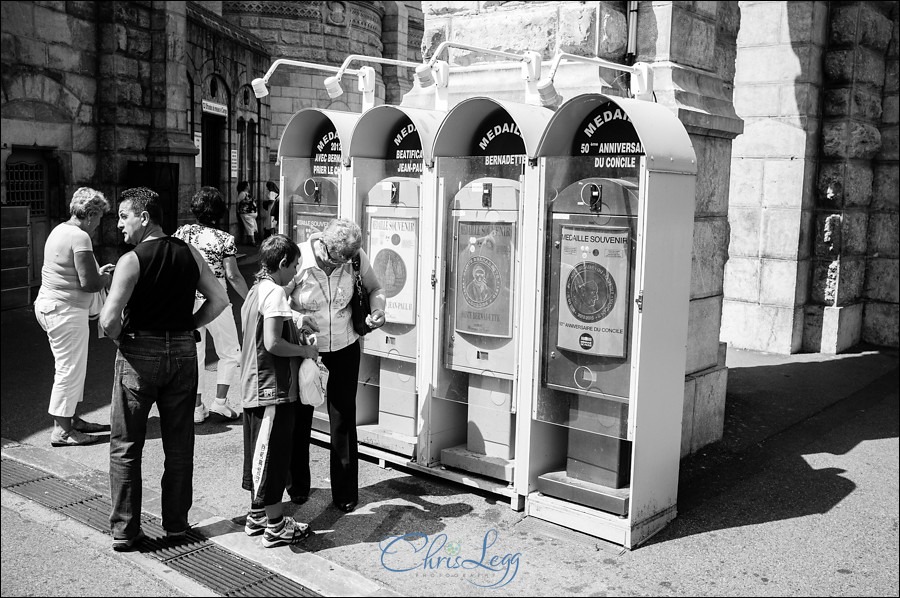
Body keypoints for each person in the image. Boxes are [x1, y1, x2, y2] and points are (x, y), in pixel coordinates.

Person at [99, 187, 229, 551]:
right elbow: (219, 300)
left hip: (140, 351)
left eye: (124, 215)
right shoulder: (190, 253)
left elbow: (109, 320)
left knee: (126, 445)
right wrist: (189, 325)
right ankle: (176, 525)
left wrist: (122, 336)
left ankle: (126, 530)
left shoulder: (132, 259)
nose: (119, 223)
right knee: (179, 443)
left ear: (145, 217)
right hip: (184, 352)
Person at [287, 218, 386, 513]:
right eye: (334, 259)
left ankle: (344, 492)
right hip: (306, 350)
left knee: (343, 419)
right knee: (300, 417)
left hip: (344, 345)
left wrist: (378, 310)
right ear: (323, 245)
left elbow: (375, 288)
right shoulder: (299, 258)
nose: (338, 265)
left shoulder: (354, 257)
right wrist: (296, 321)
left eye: (345, 261)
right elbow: (276, 301)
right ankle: (297, 486)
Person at [240, 234, 318, 548]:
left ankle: (258, 514)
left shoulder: (257, 289)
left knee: (259, 454)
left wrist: (296, 320)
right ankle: (275, 524)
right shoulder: (273, 292)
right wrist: (305, 353)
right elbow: (272, 343)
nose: (296, 273)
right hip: (271, 387)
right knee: (273, 456)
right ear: (282, 264)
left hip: (256, 386)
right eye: (295, 266)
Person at [34, 187, 115, 447]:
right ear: (91, 214)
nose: (100, 223)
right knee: (69, 369)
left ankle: (70, 419)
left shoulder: (60, 230)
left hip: (52, 306)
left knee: (71, 368)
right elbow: (90, 283)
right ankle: (62, 430)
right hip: (66, 311)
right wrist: (106, 277)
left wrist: (96, 273)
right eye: (100, 216)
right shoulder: (80, 237)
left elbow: (74, 272)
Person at [173, 186, 249, 424]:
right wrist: (251, 298)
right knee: (230, 351)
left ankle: (196, 408)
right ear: (219, 212)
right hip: (215, 298)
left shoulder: (182, 233)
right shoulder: (224, 239)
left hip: (187, 298)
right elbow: (233, 275)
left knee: (195, 353)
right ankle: (220, 402)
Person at [236, 181, 258, 246]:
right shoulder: (242, 194)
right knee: (250, 227)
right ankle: (252, 241)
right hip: (246, 212)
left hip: (250, 213)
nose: (249, 186)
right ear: (246, 186)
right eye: (248, 185)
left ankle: (247, 240)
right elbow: (238, 202)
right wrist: (238, 210)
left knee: (250, 227)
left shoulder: (246, 193)